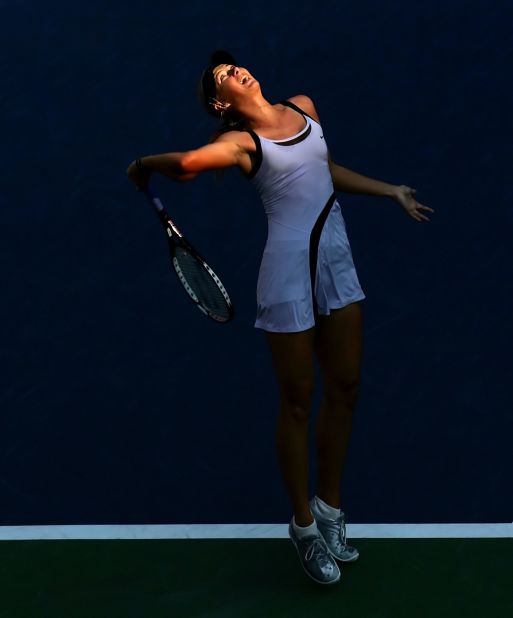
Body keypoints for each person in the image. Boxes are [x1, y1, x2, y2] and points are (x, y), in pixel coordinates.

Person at [126, 50, 432, 585]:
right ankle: (305, 526)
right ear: (223, 102)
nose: (235, 70)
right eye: (223, 77)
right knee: (297, 402)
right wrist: (142, 164)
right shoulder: (240, 145)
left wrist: (390, 191)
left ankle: (332, 509)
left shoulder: (305, 107)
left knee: (347, 387)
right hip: (288, 274)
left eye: (233, 65)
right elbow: (189, 165)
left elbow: (322, 168)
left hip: (335, 261)